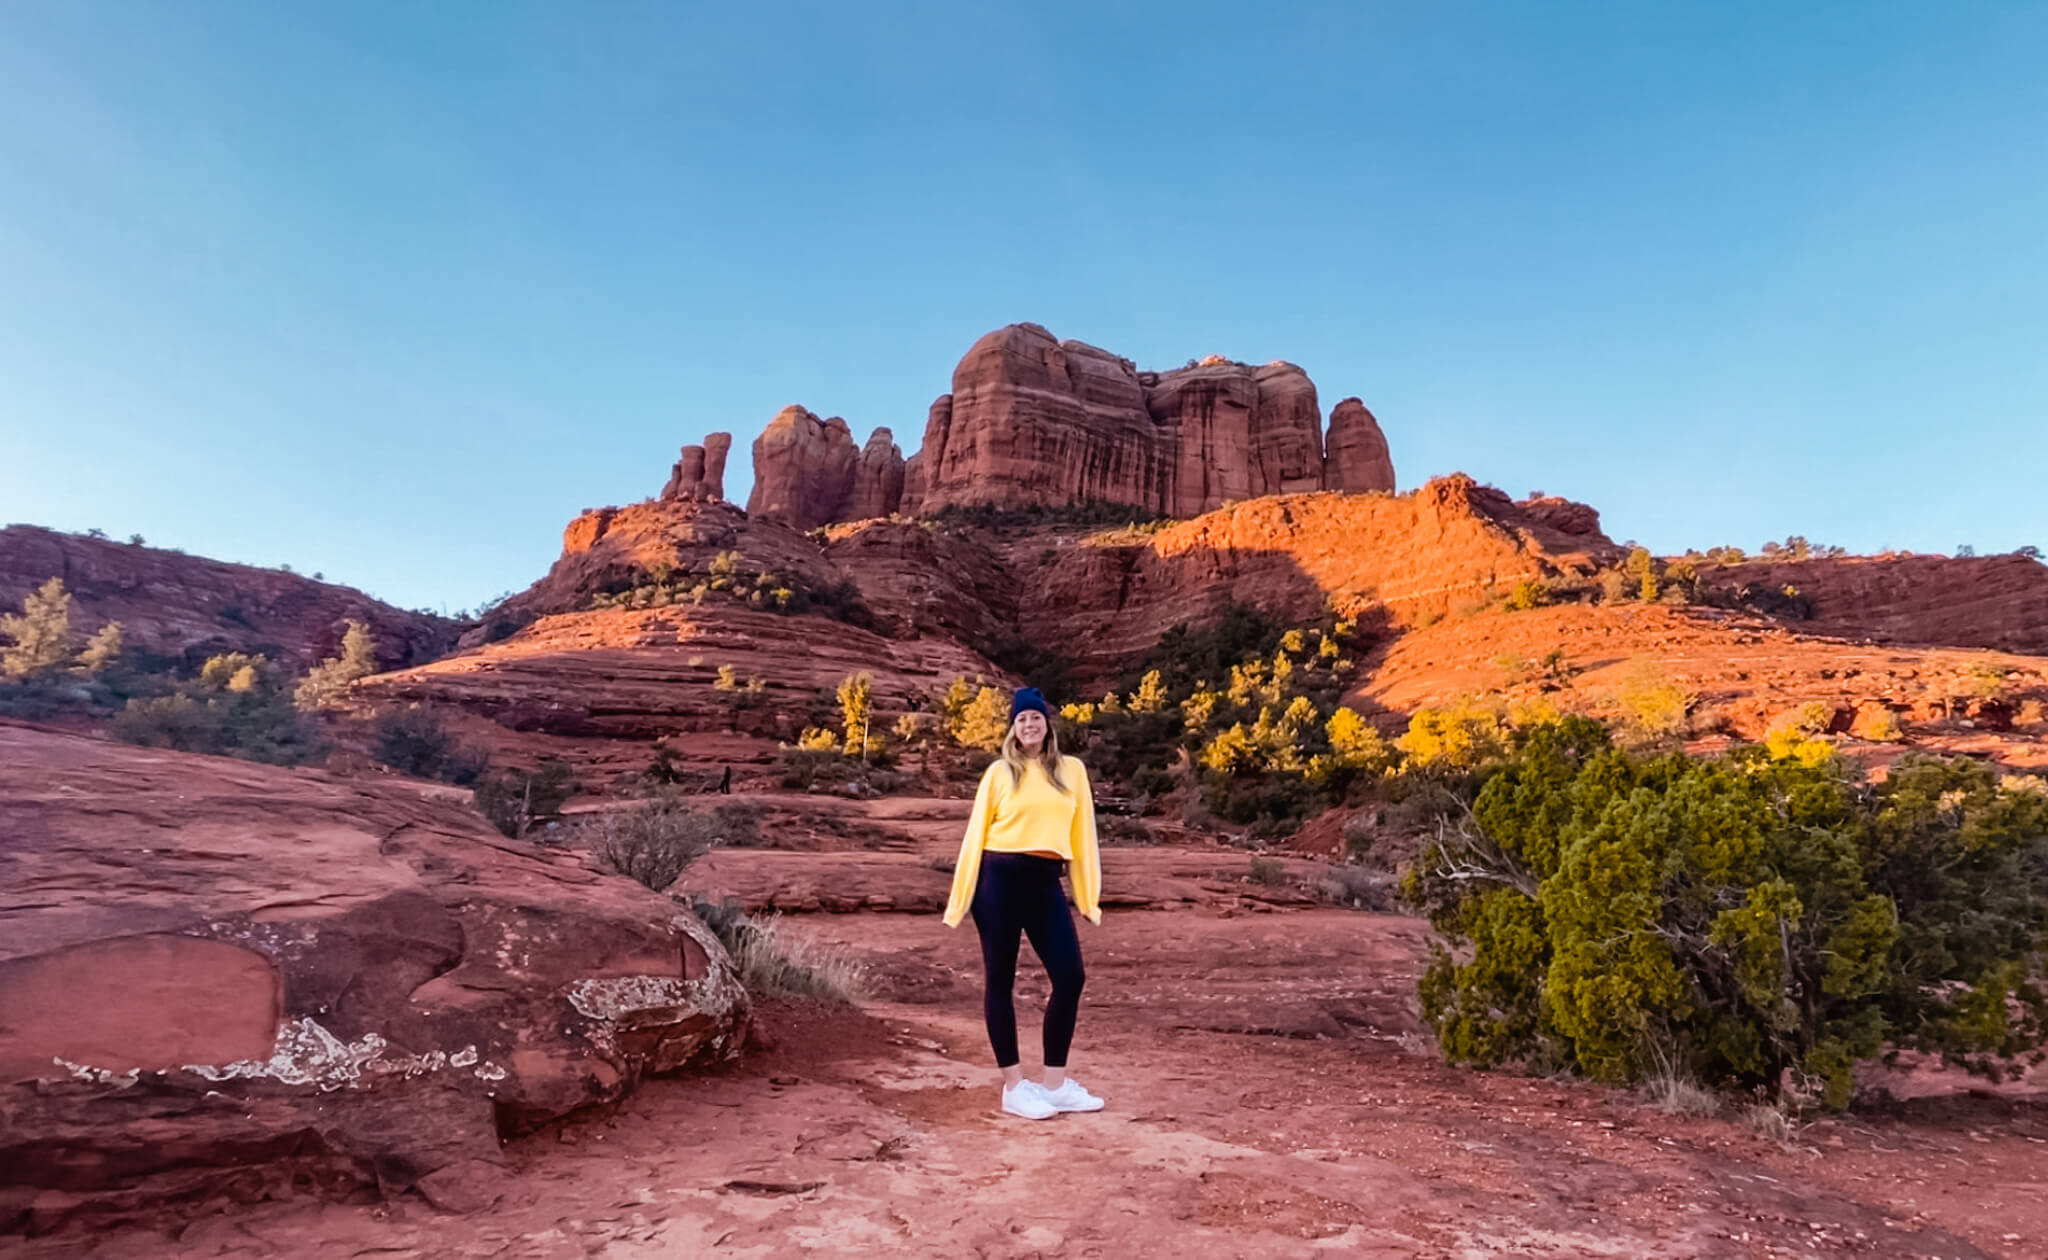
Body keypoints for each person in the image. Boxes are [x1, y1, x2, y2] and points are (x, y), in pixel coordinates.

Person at [941, 687, 1104, 1120]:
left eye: (1035, 717)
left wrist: (1088, 897)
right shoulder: (999, 772)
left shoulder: (1072, 771)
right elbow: (975, 834)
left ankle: (1054, 1085)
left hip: (1045, 881)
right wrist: (960, 899)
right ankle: (1014, 1087)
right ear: (1012, 729)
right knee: (1000, 981)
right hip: (998, 880)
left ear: (1047, 723)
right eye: (1020, 719)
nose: (1029, 725)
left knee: (1070, 977)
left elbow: (1083, 837)